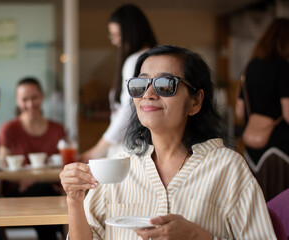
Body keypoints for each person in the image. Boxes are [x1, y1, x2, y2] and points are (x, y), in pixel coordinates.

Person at [60, 45, 276, 239]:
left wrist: (195, 235)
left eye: (165, 84)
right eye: (140, 84)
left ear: (196, 100)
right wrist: (74, 201)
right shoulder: (117, 168)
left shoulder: (227, 167)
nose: (149, 93)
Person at [79, 4, 157, 162]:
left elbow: (128, 110)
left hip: (130, 147)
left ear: (131, 33)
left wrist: (98, 149)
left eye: (117, 35)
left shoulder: (135, 61)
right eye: (112, 36)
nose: (114, 41)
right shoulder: (155, 58)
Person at [0, 77, 65, 240]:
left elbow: (65, 167)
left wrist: (34, 179)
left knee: (44, 195)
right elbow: (2, 167)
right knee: (42, 196)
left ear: (42, 96)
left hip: (49, 193)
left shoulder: (57, 129)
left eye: (34, 97)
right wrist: (33, 179)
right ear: (17, 101)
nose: (30, 104)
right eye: (24, 99)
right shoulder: (9, 129)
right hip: (17, 194)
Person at [235, 18, 289, 164]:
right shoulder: (284, 68)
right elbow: (288, 113)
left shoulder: (249, 67)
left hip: (251, 152)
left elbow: (239, 111)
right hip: (279, 153)